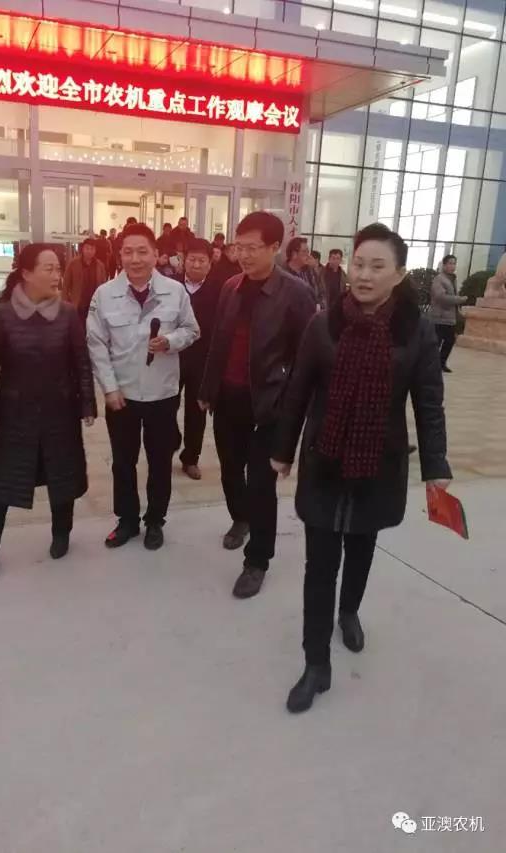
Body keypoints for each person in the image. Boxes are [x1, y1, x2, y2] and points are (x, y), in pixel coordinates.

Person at [271, 223, 452, 713]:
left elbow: (428, 403)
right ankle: (315, 664)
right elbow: (298, 392)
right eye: (359, 264)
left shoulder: (415, 331)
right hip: (325, 460)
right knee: (318, 567)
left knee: (361, 548)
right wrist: (282, 450)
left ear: (399, 275)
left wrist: (435, 465)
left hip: (379, 463)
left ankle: (348, 610)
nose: (365, 275)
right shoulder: (323, 324)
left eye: (378, 266)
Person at [198, 211, 316, 599]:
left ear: (274, 247)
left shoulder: (296, 294)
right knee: (230, 471)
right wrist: (207, 387)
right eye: (239, 247)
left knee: (261, 484)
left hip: (269, 404)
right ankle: (241, 518)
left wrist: (293, 409)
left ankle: (258, 560)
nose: (243, 255)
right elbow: (218, 343)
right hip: (228, 398)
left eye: (252, 248)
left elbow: (306, 358)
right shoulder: (231, 287)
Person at [0, 244, 97, 577]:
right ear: (26, 273)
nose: (57, 275)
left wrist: (87, 403)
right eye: (49, 269)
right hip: (15, 413)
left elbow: (81, 363)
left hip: (60, 411)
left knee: (62, 476)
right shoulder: (2, 315)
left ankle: (62, 534)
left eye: (58, 269)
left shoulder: (68, 314)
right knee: (2, 480)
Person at [87, 223, 199, 551]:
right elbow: (96, 344)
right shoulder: (104, 294)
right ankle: (126, 520)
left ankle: (155, 521)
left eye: (142, 251)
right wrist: (109, 388)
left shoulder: (175, 291)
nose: (135, 259)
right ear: (119, 255)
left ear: (155, 254)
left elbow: (192, 330)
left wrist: (171, 341)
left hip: (162, 394)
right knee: (123, 462)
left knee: (160, 462)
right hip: (121, 395)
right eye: (128, 252)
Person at [176, 239, 222, 480]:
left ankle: (191, 458)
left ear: (210, 264)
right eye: (192, 259)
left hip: (202, 360)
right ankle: (169, 443)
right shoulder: (172, 286)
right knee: (166, 406)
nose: (196, 264)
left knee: (197, 411)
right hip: (172, 358)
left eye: (201, 260)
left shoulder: (219, 290)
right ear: (184, 261)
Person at [430, 254, 467, 373]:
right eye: (450, 263)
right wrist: (459, 299)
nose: (452, 266)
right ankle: (431, 364)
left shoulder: (452, 279)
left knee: (450, 341)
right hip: (440, 317)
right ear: (444, 265)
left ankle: (441, 363)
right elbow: (440, 297)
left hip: (450, 318)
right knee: (436, 342)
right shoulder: (439, 279)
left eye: (454, 263)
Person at [61, 237, 108, 323]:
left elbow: (104, 285)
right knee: (78, 326)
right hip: (78, 304)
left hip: (94, 305)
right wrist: (65, 302)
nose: (89, 251)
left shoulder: (100, 265)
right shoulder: (73, 264)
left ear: (95, 250)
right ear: (82, 249)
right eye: (87, 248)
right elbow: (65, 284)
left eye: (92, 249)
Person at [286, 236, 319, 304]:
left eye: (308, 252)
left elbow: (320, 293)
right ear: (294, 254)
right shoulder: (283, 274)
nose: (308, 256)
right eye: (304, 252)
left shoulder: (309, 271)